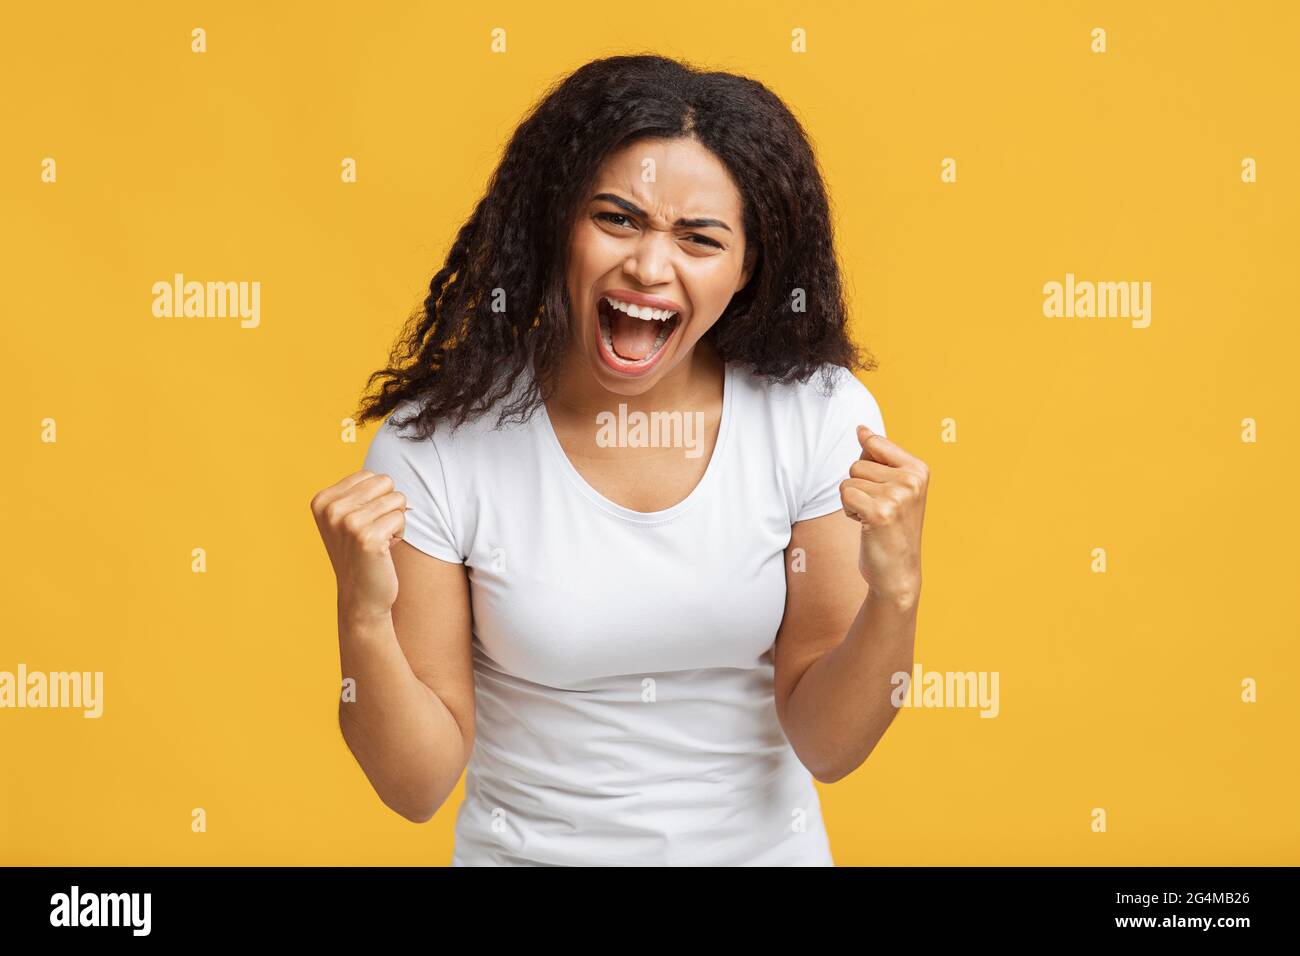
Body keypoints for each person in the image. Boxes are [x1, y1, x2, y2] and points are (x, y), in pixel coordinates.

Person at [310, 54, 930, 866]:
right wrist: (361, 617)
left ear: (747, 270)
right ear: (555, 223)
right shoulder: (439, 442)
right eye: (617, 219)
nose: (648, 265)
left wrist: (896, 593)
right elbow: (415, 786)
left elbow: (830, 746)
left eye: (700, 239)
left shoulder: (816, 414)